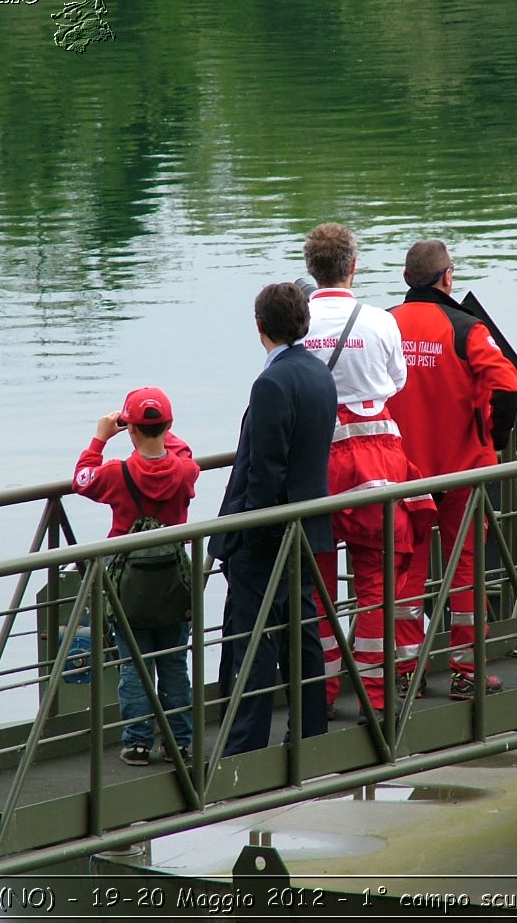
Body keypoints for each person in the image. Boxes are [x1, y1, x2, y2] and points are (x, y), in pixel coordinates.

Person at [300, 223, 433, 719]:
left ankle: (324, 690)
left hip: (316, 462)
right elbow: (396, 382)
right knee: (376, 583)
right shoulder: (379, 320)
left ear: (311, 269)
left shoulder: (299, 318)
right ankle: (377, 697)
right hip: (377, 460)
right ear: (353, 266)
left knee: (318, 582)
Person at [388, 240, 517, 699]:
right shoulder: (468, 328)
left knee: (405, 571)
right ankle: (468, 672)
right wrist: (493, 437)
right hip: (462, 472)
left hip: (404, 474)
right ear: (447, 277)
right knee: (465, 570)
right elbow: (507, 386)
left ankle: (405, 673)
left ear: (407, 280)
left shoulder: (383, 325)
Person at [208, 281, 337, 755]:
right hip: (307, 526)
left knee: (253, 639)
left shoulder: (271, 382)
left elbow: (264, 470)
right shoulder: (319, 373)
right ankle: (310, 733)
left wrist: (242, 534)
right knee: (301, 632)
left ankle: (245, 748)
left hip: (266, 538)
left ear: (259, 326)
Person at [72, 387, 200, 766]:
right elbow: (184, 453)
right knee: (174, 664)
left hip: (128, 586)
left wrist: (99, 438)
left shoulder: (116, 472)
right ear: (169, 426)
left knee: (133, 664)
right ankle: (180, 741)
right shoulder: (184, 471)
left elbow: (80, 480)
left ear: (130, 430)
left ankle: (138, 742)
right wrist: (158, 428)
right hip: (174, 585)